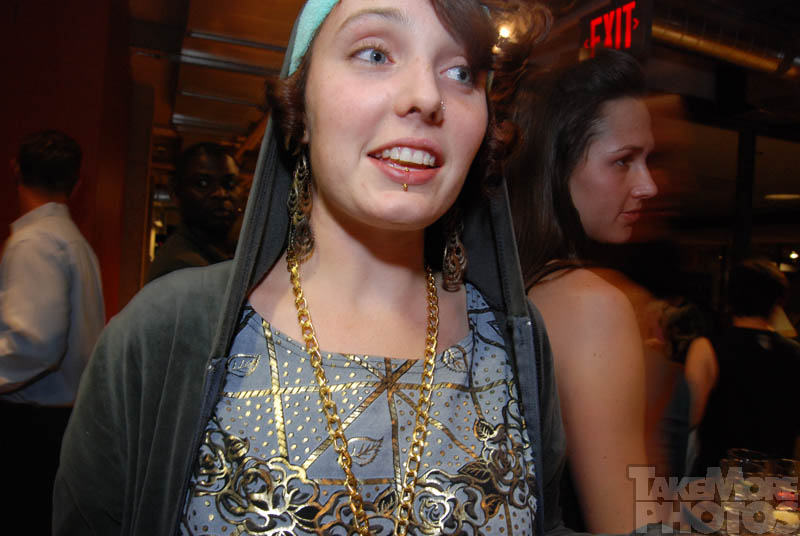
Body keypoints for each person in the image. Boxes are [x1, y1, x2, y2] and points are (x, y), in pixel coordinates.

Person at [52, 1, 599, 535]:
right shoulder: (165, 335)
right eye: (375, 54)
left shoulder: (513, 339)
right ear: (300, 105)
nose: (427, 97)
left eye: (461, 72)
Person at [506, 50, 657, 533]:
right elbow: (628, 522)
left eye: (647, 160)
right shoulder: (593, 305)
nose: (649, 185)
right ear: (557, 167)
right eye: (623, 161)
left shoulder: (499, 286)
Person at [0, 129, 105, 533]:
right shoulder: (72, 241)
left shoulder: (35, 242)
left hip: (31, 426)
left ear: (15, 169)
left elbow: (34, 344)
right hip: (60, 422)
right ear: (76, 184)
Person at [690, 259, 800, 475]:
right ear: (778, 302)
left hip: (718, 475)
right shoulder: (795, 353)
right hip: (774, 478)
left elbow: (690, 416)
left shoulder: (708, 347)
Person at [146, 142, 248, 282]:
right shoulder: (181, 267)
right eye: (203, 184)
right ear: (175, 192)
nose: (220, 194)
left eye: (229, 184)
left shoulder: (214, 255)